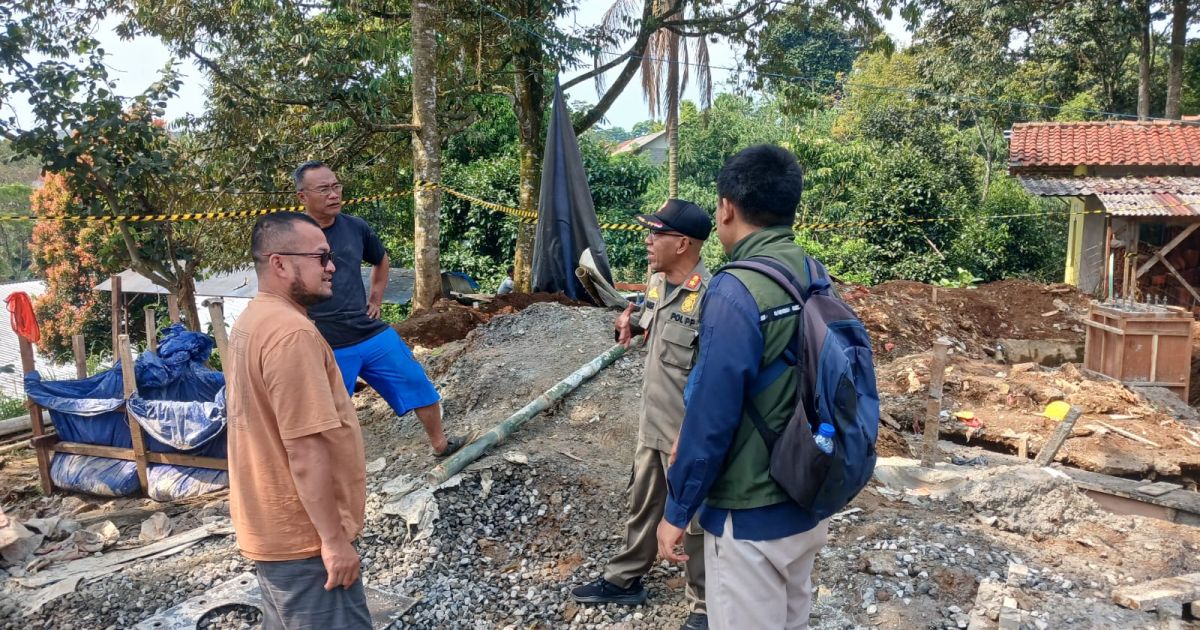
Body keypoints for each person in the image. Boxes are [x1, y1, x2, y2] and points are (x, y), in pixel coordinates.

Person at [656, 145, 828, 629]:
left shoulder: (735, 290)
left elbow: (712, 415)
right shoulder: (812, 272)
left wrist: (677, 510)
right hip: (806, 493)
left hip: (749, 513)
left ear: (727, 207)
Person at [571, 199, 713, 630]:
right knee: (643, 503)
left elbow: (713, 381)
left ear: (683, 243)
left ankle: (705, 604)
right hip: (652, 425)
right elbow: (655, 327)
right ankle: (625, 578)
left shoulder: (710, 297)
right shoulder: (656, 282)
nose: (648, 241)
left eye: (656, 234)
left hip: (686, 434)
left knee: (693, 520)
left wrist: (688, 437)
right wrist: (631, 324)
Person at [226, 212, 371, 629]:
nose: (332, 267)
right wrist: (332, 540)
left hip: (271, 530)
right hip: (303, 541)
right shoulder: (292, 335)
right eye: (321, 257)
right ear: (280, 263)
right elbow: (305, 451)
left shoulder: (253, 321)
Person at [294, 160, 462, 456]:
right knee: (329, 418)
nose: (334, 194)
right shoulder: (291, 235)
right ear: (302, 196)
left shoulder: (356, 227)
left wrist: (375, 298)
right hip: (324, 343)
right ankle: (332, 478)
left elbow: (380, 259)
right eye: (324, 189)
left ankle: (440, 445)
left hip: (368, 332)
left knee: (416, 381)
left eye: (336, 186)